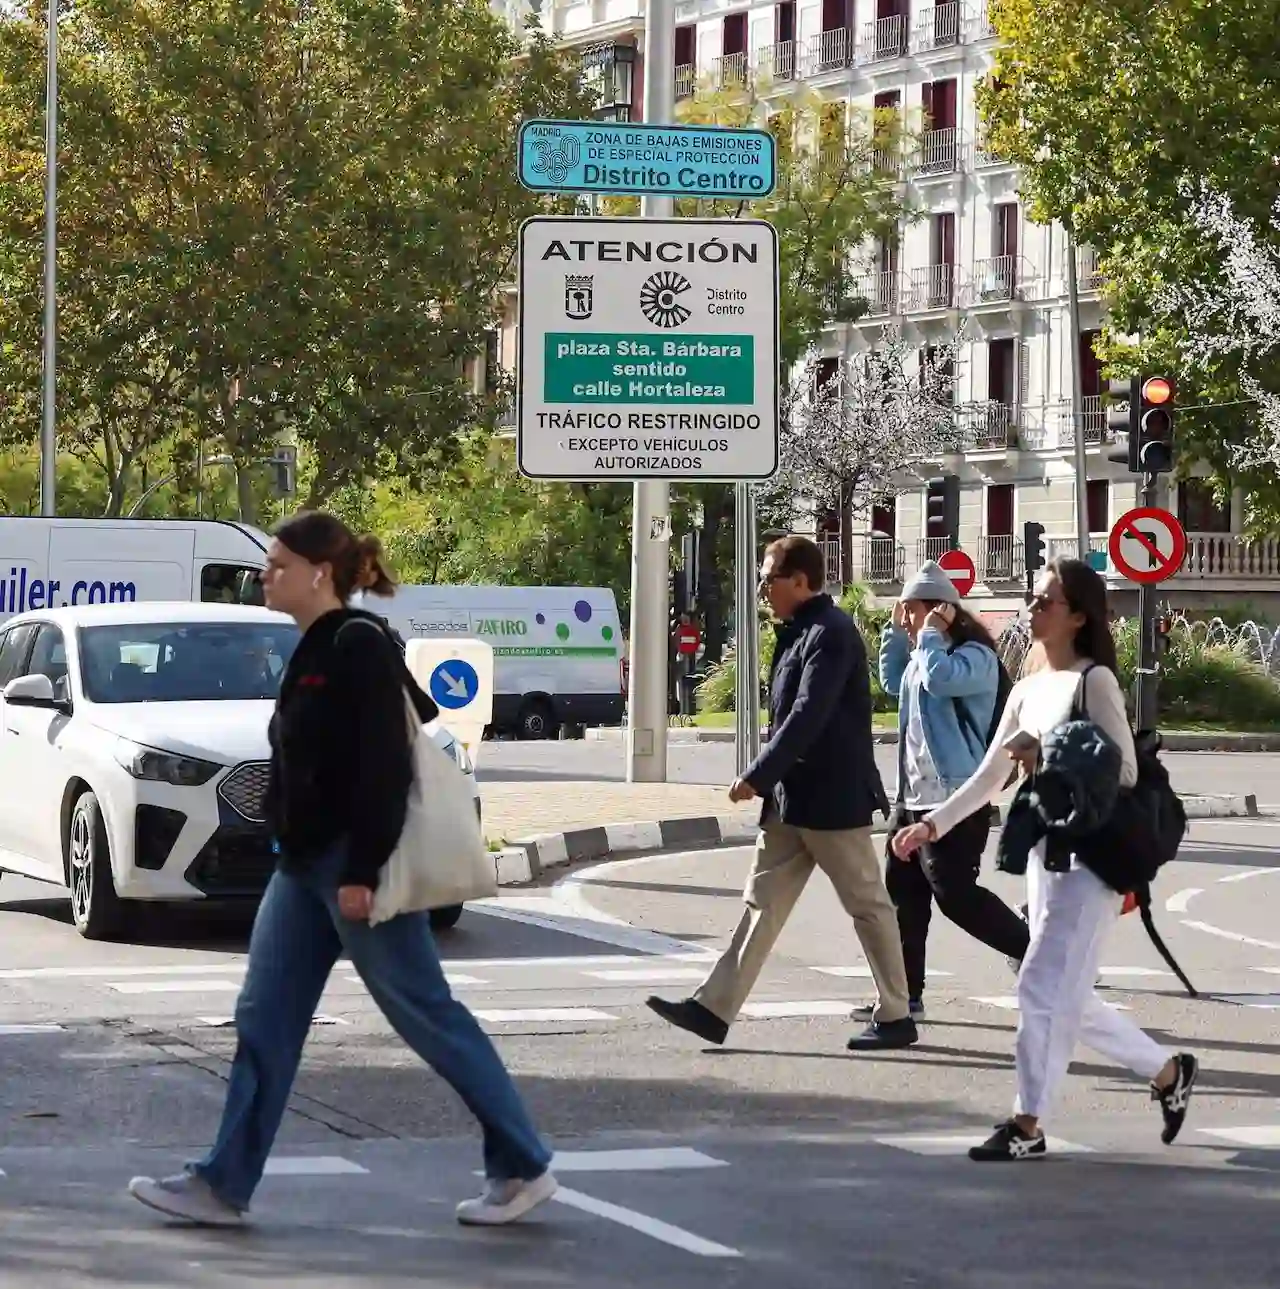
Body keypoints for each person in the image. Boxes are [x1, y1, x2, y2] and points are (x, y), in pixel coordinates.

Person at [128, 512, 557, 1226]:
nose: (264, 576)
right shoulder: (315, 644)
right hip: (300, 869)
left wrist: (362, 868)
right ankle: (222, 1184)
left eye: (277, 566)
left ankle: (522, 1163)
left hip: (349, 866)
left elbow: (385, 768)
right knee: (264, 1019)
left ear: (319, 573)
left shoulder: (356, 644)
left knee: (426, 1014)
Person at [892, 558, 1199, 1160]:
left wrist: (1051, 752)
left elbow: (1127, 770)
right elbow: (989, 777)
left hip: (1091, 860)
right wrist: (932, 824)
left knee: (1037, 983)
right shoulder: (1027, 686)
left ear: (1078, 616)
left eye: (1045, 602)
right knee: (1067, 993)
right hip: (1044, 851)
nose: (1032, 610)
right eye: (1032, 600)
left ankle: (1027, 1125)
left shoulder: (1094, 681)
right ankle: (1167, 1073)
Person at [647, 535, 918, 1053]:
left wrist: (757, 775)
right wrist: (772, 781)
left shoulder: (831, 633)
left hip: (833, 801)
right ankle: (713, 1009)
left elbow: (806, 716)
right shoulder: (799, 632)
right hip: (792, 804)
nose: (763, 588)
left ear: (800, 580)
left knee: (867, 905)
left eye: (769, 578)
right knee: (760, 904)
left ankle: (897, 1012)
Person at [852, 562, 1029, 1021]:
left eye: (912, 612)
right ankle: (902, 997)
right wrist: (896, 634)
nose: (907, 619)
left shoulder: (975, 659)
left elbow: (939, 679)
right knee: (901, 901)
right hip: (911, 800)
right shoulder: (922, 654)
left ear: (940, 612)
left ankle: (1036, 952)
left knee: (955, 896)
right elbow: (895, 681)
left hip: (956, 800)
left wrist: (930, 633)